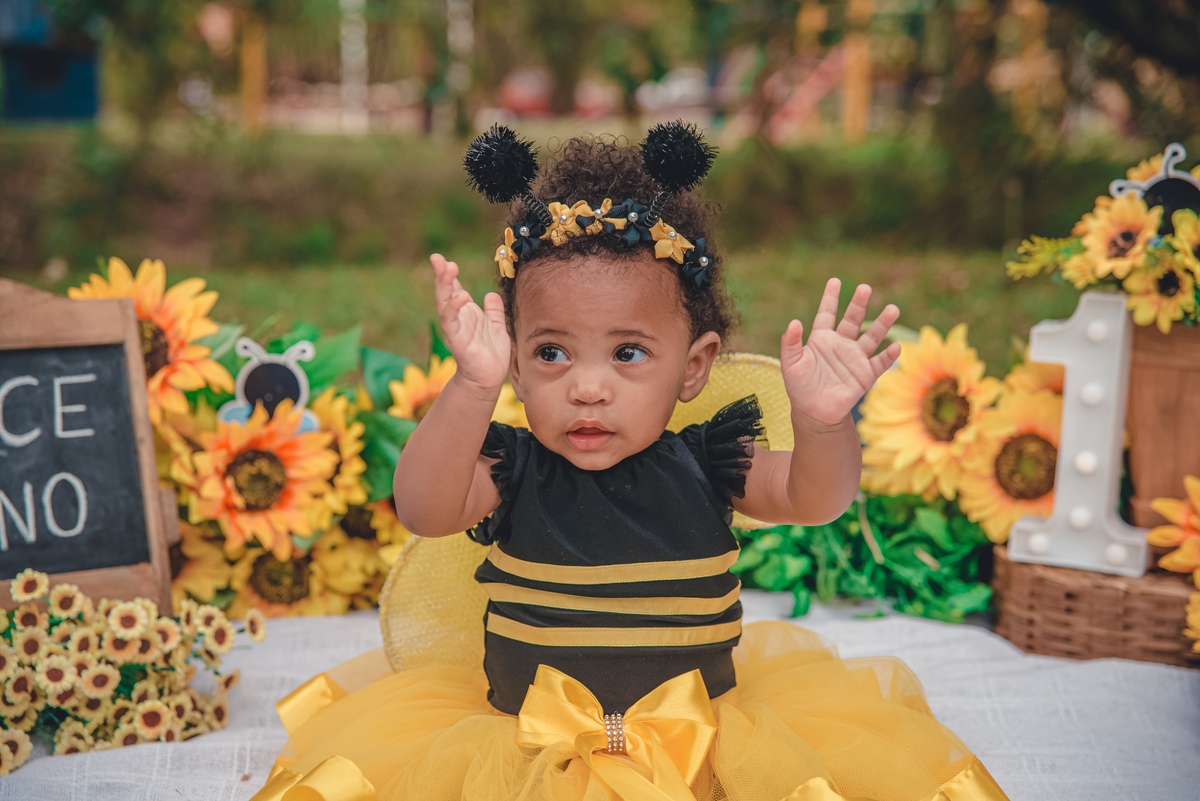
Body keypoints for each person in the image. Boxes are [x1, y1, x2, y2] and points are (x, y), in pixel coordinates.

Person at [252, 124, 1008, 801]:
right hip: (525, 750)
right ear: (515, 365)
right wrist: (470, 388)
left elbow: (817, 498)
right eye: (552, 352)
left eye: (628, 353)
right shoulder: (512, 467)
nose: (588, 386)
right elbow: (423, 508)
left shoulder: (711, 461)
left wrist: (823, 423)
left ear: (693, 366)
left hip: (700, 745)